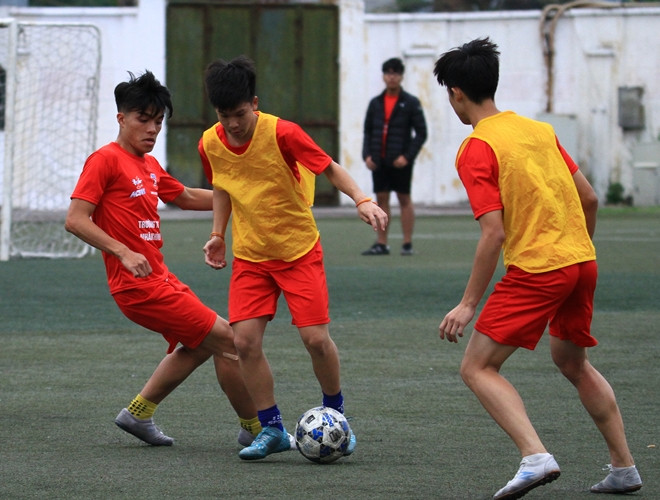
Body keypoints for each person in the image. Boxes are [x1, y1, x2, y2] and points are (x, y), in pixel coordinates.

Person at [433, 38, 642, 499]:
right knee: (573, 362)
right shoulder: (539, 130)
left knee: (477, 367)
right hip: (581, 262)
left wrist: (468, 304)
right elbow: (589, 198)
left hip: (539, 270)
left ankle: (535, 456)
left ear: (456, 93)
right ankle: (624, 467)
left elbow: (493, 233)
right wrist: (575, 247)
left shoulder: (477, 147)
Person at [64, 70, 281, 450]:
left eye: (158, 122)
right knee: (229, 340)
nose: (152, 129)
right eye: (143, 120)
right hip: (137, 286)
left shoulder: (148, 165)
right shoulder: (105, 160)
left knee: (200, 344)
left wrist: (244, 195)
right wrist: (123, 251)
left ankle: (138, 413)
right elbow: (75, 219)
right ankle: (256, 427)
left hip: (161, 278)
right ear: (121, 119)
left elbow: (184, 197)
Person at [199, 56, 388, 460]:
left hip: (298, 250)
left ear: (255, 103)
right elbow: (222, 187)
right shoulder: (209, 143)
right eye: (223, 116)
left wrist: (362, 199)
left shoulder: (283, 133)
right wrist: (217, 235)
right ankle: (271, 429)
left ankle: (337, 417)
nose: (232, 124)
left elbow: (329, 167)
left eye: (239, 114)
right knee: (244, 342)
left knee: (315, 340)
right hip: (251, 256)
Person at [361, 57, 427, 256]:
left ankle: (407, 243)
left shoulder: (411, 103)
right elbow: (368, 131)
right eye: (388, 73)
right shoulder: (375, 103)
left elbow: (421, 133)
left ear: (401, 76)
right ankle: (381, 243)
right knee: (381, 199)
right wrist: (367, 155)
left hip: (400, 162)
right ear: (383, 76)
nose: (392, 77)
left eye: (395, 73)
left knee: (404, 198)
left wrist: (407, 157)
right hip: (379, 161)